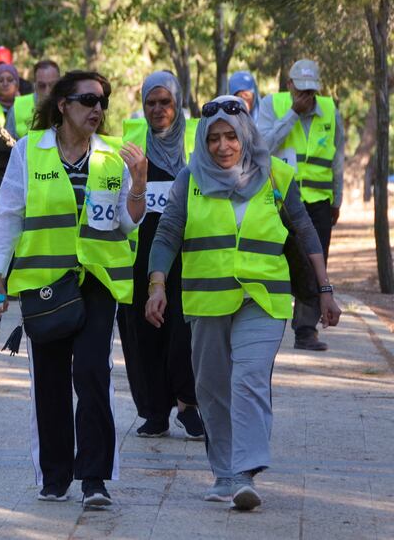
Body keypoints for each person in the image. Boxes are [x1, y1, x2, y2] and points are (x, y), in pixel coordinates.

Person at [145, 95, 341, 510]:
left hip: (264, 297)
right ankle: (224, 472)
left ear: (246, 134)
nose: (222, 146)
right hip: (206, 299)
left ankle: (245, 471)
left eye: (230, 136)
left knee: (248, 378)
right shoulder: (189, 179)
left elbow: (305, 232)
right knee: (212, 388)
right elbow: (167, 235)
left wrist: (325, 290)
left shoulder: (277, 176)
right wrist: (157, 285)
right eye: (213, 138)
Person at [0, 70, 147, 509]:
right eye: (88, 99)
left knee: (93, 373)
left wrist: (139, 185)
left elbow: (128, 222)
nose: (98, 108)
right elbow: (9, 216)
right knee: (49, 380)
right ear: (62, 104)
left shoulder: (114, 157)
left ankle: (94, 477)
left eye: (103, 101)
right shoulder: (28, 153)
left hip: (98, 280)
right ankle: (55, 476)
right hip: (44, 282)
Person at [118, 72, 203, 440]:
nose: (157, 110)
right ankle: (154, 411)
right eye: (150, 103)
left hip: (189, 255)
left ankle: (187, 403)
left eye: (165, 102)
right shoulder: (131, 144)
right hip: (139, 257)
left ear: (178, 103)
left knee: (184, 333)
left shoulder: (199, 142)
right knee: (143, 334)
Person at [257, 59, 345, 351]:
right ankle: (260, 318)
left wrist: (337, 198)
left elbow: (337, 159)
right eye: (301, 89)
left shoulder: (330, 111)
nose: (307, 96)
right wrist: (292, 115)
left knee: (314, 263)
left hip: (318, 200)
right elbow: (262, 147)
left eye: (312, 90)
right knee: (273, 259)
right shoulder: (273, 105)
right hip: (278, 198)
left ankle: (306, 330)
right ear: (289, 85)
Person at [5, 59, 61, 139]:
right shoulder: (17, 108)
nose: (47, 91)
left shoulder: (70, 106)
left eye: (53, 85)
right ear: (34, 85)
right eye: (42, 86)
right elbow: (6, 147)